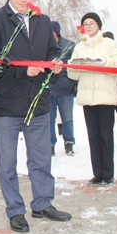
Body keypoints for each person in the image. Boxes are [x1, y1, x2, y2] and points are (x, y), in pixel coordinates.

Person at [0, 0, 71, 234]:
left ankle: (43, 203)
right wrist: (23, 69)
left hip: (38, 104)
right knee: (7, 163)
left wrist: (55, 65)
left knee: (41, 159)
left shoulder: (43, 21)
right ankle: (15, 210)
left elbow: (53, 51)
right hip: (6, 105)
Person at [68, 12, 117, 185]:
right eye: (85, 23)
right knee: (93, 137)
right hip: (88, 98)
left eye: (91, 23)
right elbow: (73, 74)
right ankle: (97, 173)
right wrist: (75, 65)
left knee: (106, 137)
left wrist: (104, 62)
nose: (88, 26)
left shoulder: (109, 44)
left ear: (99, 25)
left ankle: (108, 174)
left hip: (105, 97)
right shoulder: (80, 46)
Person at [49, 21, 76, 156]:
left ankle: (69, 142)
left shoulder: (69, 45)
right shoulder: (44, 45)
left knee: (67, 117)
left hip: (65, 88)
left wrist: (74, 85)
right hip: (48, 89)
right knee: (49, 119)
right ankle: (50, 144)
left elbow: (74, 66)